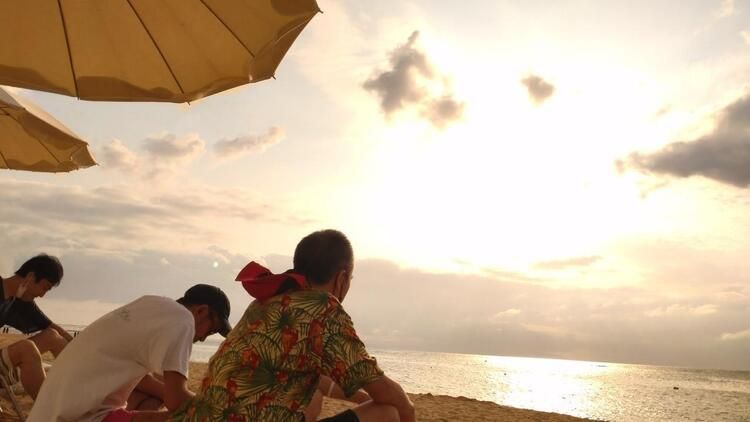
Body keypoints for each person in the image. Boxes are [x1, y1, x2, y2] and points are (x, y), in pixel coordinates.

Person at [170, 229, 415, 422]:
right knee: (389, 413)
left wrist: (358, 394)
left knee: (312, 399)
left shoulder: (265, 302)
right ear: (341, 278)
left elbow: (327, 378)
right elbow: (386, 392)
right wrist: (408, 409)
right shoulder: (323, 309)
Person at [27, 284, 232, 422]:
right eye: (211, 330)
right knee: (188, 416)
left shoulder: (151, 304)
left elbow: (154, 381)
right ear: (201, 311)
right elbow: (177, 401)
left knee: (154, 399)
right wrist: (219, 409)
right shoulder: (183, 320)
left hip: (53, 410)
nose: (203, 338)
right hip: (76, 416)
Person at [0, 254, 72, 398]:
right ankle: (46, 409)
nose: (42, 295)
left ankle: (86, 388)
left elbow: (52, 327)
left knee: (52, 336)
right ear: (31, 277)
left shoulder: (18, 301)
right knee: (27, 348)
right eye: (44, 287)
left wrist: (85, 348)